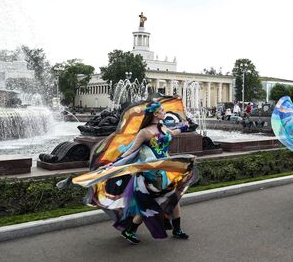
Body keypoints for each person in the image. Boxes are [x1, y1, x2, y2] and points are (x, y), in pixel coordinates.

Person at [64, 100, 197, 244]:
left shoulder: (163, 127)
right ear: (156, 114)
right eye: (162, 111)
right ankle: (130, 230)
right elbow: (131, 150)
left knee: (174, 197)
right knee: (152, 204)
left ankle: (176, 229)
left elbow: (173, 132)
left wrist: (184, 127)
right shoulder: (144, 132)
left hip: (166, 169)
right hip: (151, 174)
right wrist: (113, 164)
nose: (165, 112)